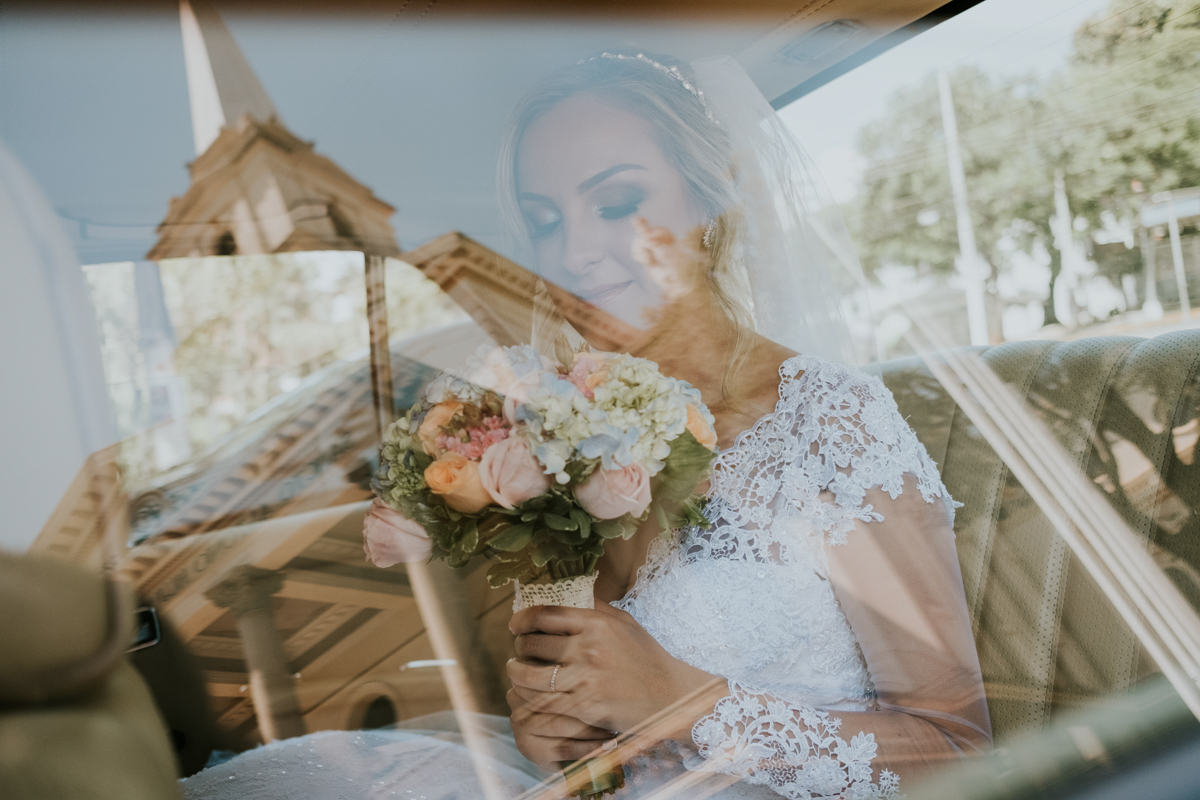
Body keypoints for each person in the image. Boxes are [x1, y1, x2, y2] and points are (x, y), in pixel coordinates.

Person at [181, 51, 990, 800]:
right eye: (543, 219)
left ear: (712, 201)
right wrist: (560, 728)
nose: (572, 251)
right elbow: (592, 722)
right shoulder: (576, 432)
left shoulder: (830, 422)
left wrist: (685, 701)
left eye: (617, 202)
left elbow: (957, 745)